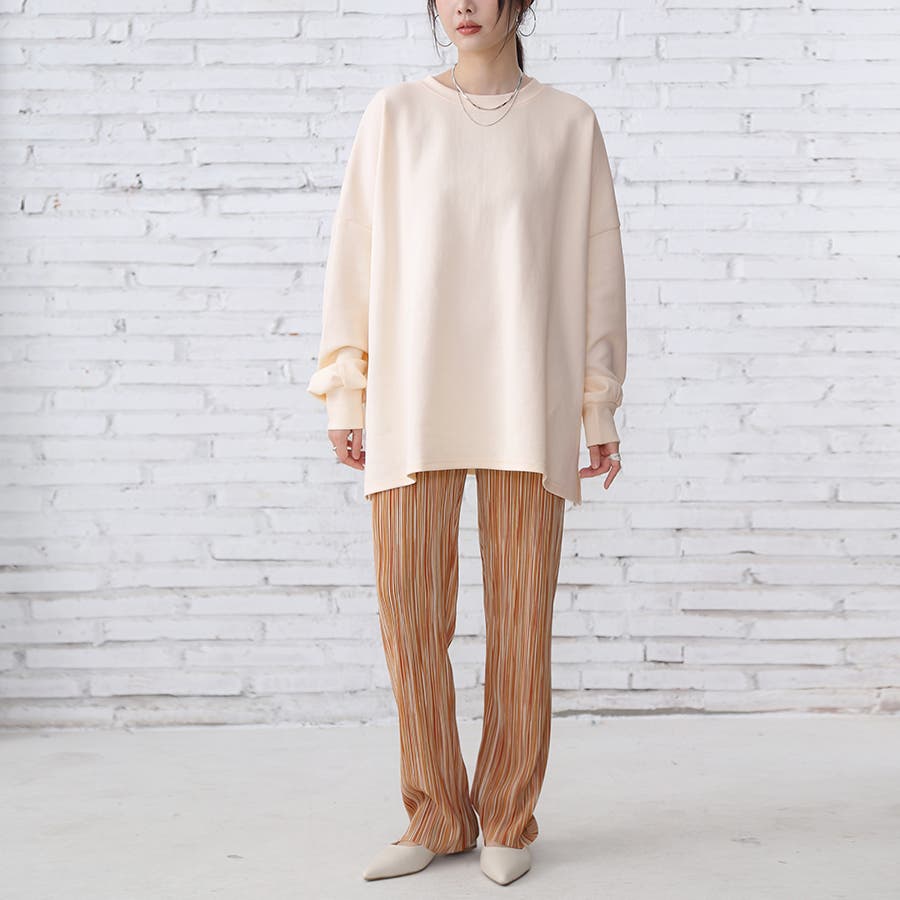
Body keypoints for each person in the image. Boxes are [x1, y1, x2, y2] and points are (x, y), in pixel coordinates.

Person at [306, 0, 626, 886]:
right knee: (410, 616)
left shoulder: (568, 124)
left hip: (529, 398)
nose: (463, 6)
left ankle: (509, 816)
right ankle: (437, 813)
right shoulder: (396, 114)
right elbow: (355, 255)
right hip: (413, 398)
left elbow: (599, 272)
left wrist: (597, 407)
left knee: (522, 620)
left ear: (520, 3)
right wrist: (346, 387)